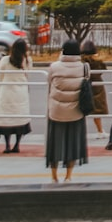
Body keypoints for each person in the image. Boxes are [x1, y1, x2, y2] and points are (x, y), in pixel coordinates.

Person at [45, 39, 89, 183]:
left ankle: (54, 176)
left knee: (55, 144)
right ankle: (68, 176)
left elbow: (50, 83)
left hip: (56, 111)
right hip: (76, 111)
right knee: (73, 143)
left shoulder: (54, 66)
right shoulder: (84, 67)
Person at [0, 38, 32, 153]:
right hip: (21, 91)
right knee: (19, 118)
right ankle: (17, 145)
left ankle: (7, 146)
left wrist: (2, 85)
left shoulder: (5, 60)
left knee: (6, 118)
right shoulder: (27, 60)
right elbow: (28, 74)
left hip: (7, 90)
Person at [79, 41, 108, 140]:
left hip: (83, 85)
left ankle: (79, 132)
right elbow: (103, 69)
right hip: (97, 86)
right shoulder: (98, 61)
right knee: (97, 110)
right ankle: (100, 131)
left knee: (81, 109)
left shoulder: (81, 61)